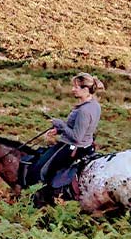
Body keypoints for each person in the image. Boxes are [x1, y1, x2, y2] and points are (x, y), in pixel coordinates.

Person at [31, 74, 104, 206]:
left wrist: (60, 124)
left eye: (75, 87)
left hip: (73, 147)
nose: (72, 90)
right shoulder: (94, 105)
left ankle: (43, 199)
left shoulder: (84, 110)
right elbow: (80, 127)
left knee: (41, 169)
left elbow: (76, 137)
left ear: (85, 89)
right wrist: (58, 131)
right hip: (86, 145)